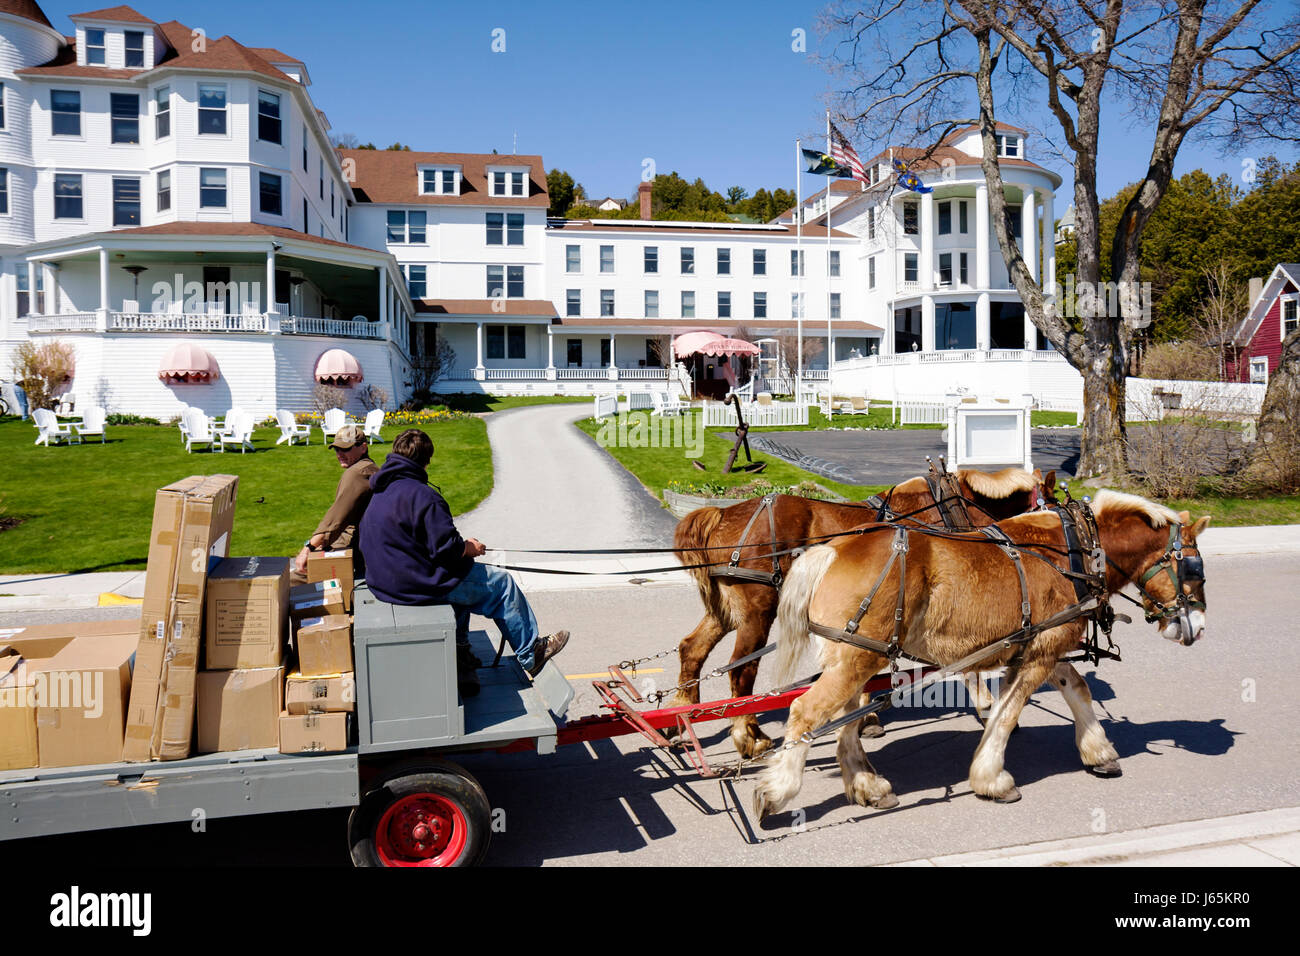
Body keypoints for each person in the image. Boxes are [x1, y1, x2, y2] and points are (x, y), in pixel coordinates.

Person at [359, 428, 569, 680]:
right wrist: (471, 548)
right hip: (413, 585)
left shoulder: (382, 489)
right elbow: (447, 550)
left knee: (461, 579)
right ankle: (531, 654)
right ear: (427, 460)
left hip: (384, 583)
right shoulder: (423, 496)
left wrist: (462, 549)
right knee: (501, 584)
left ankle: (459, 653)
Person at [291, 424, 378, 586]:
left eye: (345, 449)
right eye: (337, 449)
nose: (339, 454)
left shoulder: (356, 474)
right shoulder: (368, 468)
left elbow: (334, 521)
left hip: (353, 546)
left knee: (291, 581)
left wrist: (309, 548)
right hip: (360, 544)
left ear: (363, 448)